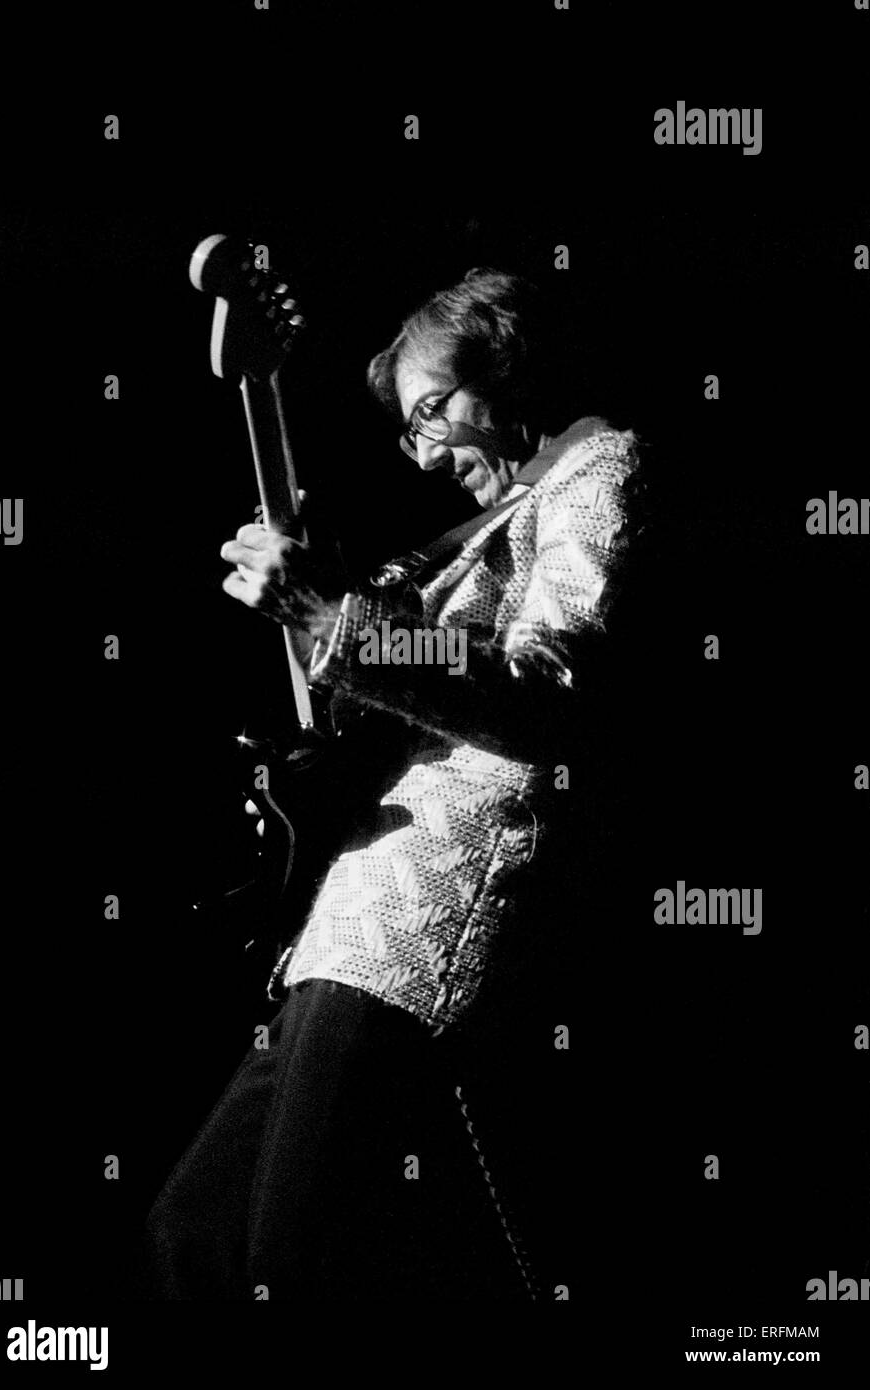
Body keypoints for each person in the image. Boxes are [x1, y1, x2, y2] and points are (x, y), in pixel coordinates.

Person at [144, 267, 643, 1301]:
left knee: (295, 1259)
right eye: (407, 429)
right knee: (191, 1235)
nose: (421, 452)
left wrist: (334, 620)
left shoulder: (597, 466)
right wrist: (319, 607)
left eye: (432, 411)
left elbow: (547, 685)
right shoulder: (471, 534)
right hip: (344, 931)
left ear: (505, 367)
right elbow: (344, 710)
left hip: (426, 920)